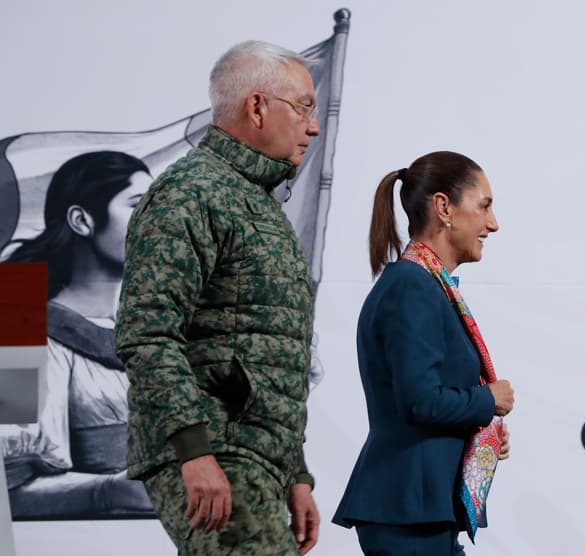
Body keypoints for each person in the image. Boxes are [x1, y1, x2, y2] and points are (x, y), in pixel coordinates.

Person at [115, 40, 321, 555]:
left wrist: (294, 470)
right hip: (216, 451)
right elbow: (148, 332)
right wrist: (194, 450)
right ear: (257, 107)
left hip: (254, 456)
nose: (313, 127)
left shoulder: (256, 202)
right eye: (304, 108)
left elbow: (269, 350)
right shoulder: (191, 192)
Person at [333, 151, 515, 555]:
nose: (493, 224)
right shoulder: (412, 287)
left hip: (422, 511)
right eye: (484, 206)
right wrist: (487, 400)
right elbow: (420, 400)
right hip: (407, 512)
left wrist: (478, 429)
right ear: (444, 208)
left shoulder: (427, 285)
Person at [0, 150, 155, 519]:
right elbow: (10, 487)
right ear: (81, 220)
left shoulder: (163, 326)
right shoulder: (18, 324)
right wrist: (110, 490)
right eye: (139, 205)